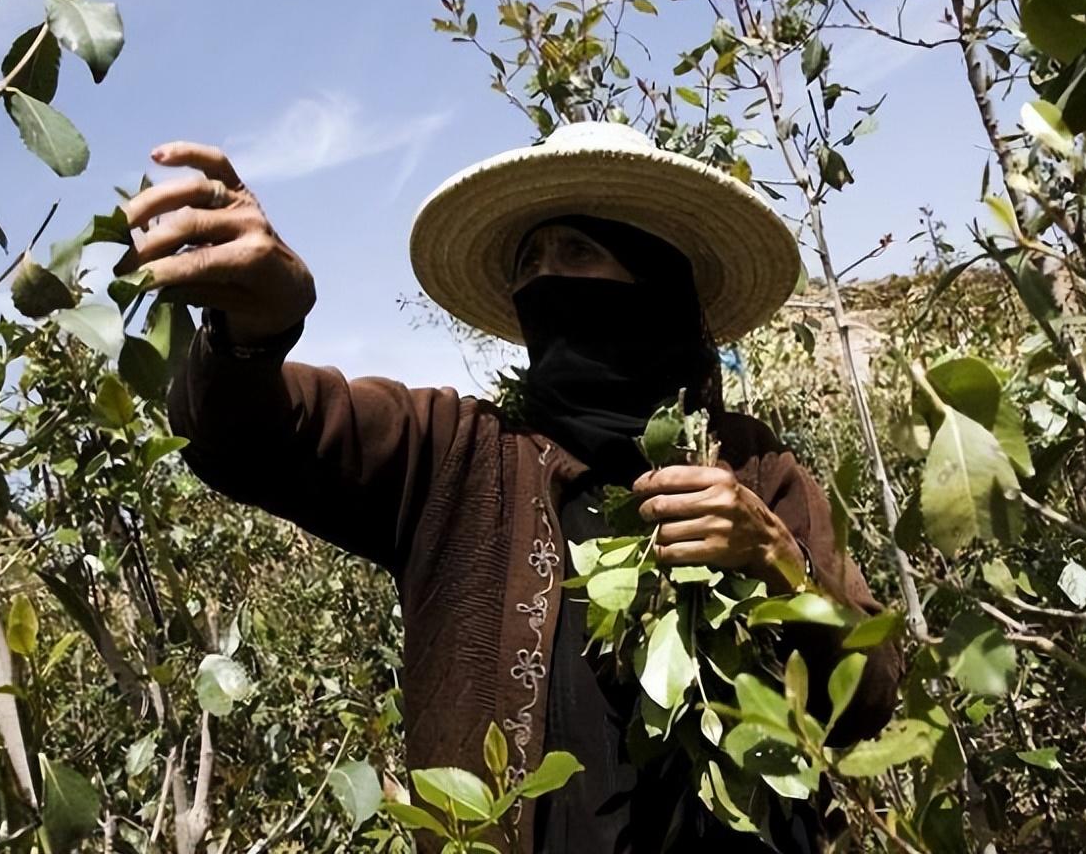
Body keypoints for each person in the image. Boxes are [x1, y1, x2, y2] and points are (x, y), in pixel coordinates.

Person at [119, 121, 901, 853]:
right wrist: (252, 334)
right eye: (531, 262)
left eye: (580, 253)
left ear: (655, 281)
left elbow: (867, 699)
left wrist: (778, 561)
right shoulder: (456, 453)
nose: (547, 280)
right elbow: (249, 440)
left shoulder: (757, 470)